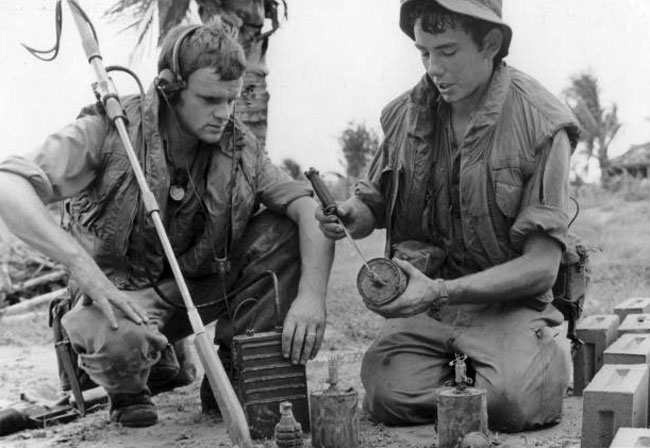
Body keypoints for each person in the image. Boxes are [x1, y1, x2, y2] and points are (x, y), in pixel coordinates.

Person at [0, 19, 334, 428]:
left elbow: (309, 212)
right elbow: (7, 184)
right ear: (169, 86)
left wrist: (312, 297)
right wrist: (82, 268)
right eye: (210, 99)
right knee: (120, 342)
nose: (224, 115)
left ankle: (232, 372)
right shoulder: (110, 130)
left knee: (283, 232)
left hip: (195, 290)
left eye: (231, 100)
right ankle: (127, 384)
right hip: (116, 298)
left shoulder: (239, 145)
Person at [316, 0, 579, 433]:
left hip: (507, 307)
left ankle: (532, 356)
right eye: (424, 52)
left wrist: (438, 290)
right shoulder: (404, 114)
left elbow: (542, 267)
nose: (433, 67)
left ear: (491, 43)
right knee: (385, 395)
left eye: (448, 51)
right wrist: (349, 213)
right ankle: (470, 375)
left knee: (513, 403)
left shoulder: (542, 123)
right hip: (431, 314)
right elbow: (371, 206)